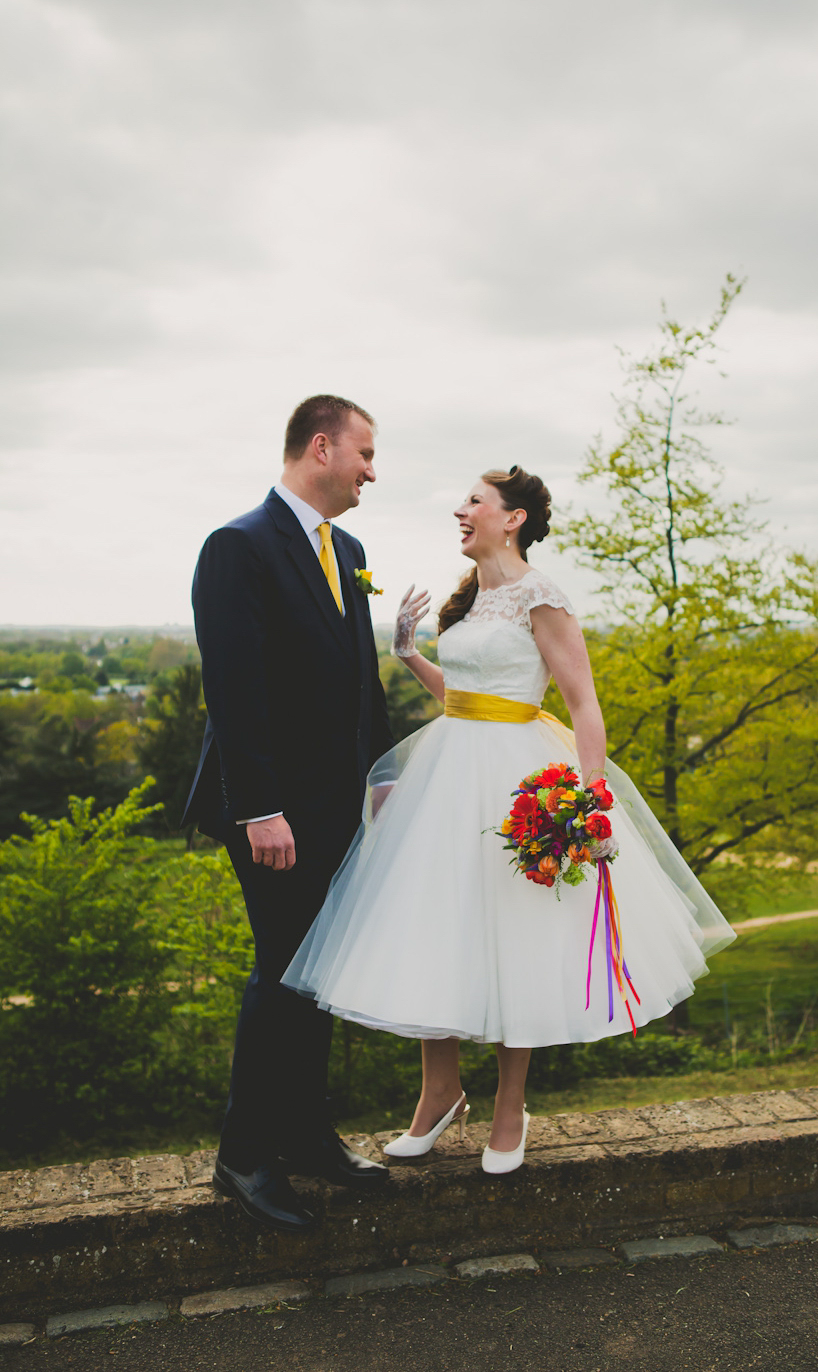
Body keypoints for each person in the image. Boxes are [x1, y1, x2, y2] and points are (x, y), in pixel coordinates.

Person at [283, 465, 735, 1174]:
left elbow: (584, 705)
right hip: (447, 774)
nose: (459, 511)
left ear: (513, 517)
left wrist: (587, 801)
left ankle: (509, 1105)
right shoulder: (472, 601)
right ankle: (439, 1093)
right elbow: (464, 697)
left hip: (517, 777)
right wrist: (408, 655)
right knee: (440, 925)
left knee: (515, 930)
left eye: (474, 502)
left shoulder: (541, 595)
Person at [183, 394, 393, 1230]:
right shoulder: (238, 547)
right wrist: (260, 808)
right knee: (282, 971)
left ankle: (306, 1137)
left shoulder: (351, 549)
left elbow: (360, 681)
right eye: (365, 454)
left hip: (338, 805)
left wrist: (382, 775)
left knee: (322, 975)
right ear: (320, 448)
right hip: (269, 813)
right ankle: (241, 1158)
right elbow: (232, 693)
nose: (373, 471)